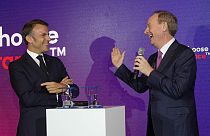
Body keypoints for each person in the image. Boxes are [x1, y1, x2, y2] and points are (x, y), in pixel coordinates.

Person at [111, 10, 199, 136]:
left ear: (163, 26)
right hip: (155, 127)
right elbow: (139, 86)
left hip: (177, 127)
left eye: (149, 26)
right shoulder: (153, 58)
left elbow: (178, 89)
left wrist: (150, 71)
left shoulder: (185, 54)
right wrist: (120, 67)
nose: (145, 31)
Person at [9, 19, 79, 136]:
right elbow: (28, 99)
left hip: (59, 126)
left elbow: (75, 90)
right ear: (29, 39)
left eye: (49, 34)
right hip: (33, 128)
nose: (49, 39)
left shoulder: (55, 62)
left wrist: (64, 87)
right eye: (43, 35)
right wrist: (57, 96)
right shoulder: (17, 66)